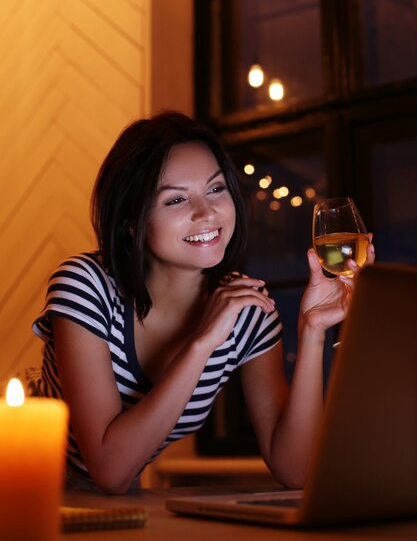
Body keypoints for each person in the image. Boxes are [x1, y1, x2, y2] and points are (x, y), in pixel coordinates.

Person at [30, 111, 374, 495]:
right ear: (130, 220)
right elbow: (108, 468)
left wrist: (312, 331)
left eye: (215, 189)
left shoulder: (245, 310)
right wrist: (203, 341)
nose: (206, 212)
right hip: (27, 491)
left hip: (114, 507)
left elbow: (295, 470)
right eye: (176, 199)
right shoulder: (86, 284)